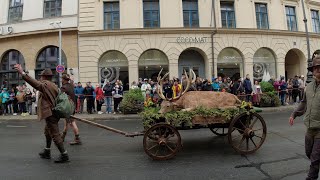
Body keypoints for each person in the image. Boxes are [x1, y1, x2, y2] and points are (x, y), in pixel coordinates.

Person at [14, 64, 69, 163]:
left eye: (41, 76)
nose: (40, 77)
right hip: (51, 113)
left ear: (44, 77)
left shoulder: (46, 84)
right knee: (47, 132)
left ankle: (64, 155)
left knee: (55, 134)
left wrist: (22, 73)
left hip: (51, 114)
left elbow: (36, 84)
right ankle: (47, 151)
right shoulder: (53, 84)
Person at [289, 55, 320, 180]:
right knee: (309, 153)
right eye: (315, 68)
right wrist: (294, 114)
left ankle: (311, 177)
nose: (318, 70)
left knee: (314, 158)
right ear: (312, 71)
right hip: (309, 128)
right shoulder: (309, 87)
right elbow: (303, 103)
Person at [60, 74, 82, 146]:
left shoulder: (64, 88)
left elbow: (59, 97)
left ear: (64, 79)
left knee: (72, 123)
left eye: (62, 79)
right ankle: (62, 137)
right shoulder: (71, 85)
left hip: (68, 108)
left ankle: (77, 139)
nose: (61, 80)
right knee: (67, 123)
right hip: (72, 106)